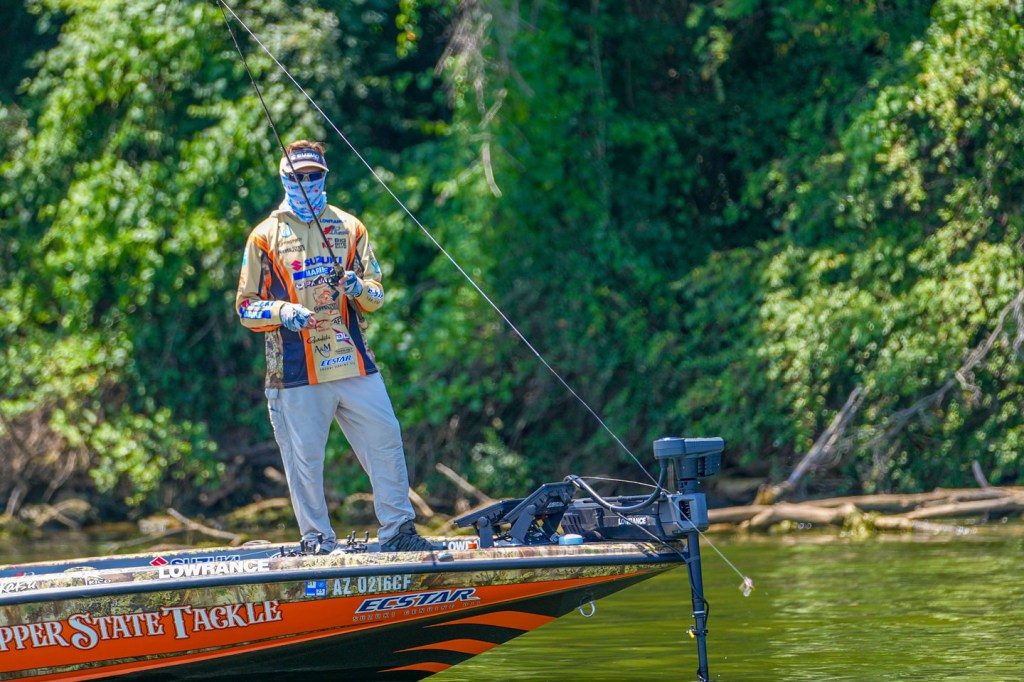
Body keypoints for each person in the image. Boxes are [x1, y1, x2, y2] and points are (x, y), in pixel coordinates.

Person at [235, 140, 433, 553]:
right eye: (298, 176)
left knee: (386, 438)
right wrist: (283, 311)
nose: (307, 183)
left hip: (353, 361)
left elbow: (376, 296)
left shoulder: (350, 227)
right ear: (284, 179)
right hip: (295, 371)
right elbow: (246, 308)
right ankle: (318, 541)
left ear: (325, 176)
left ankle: (399, 531)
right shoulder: (263, 237)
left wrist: (358, 288)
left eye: (314, 176)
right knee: (304, 463)